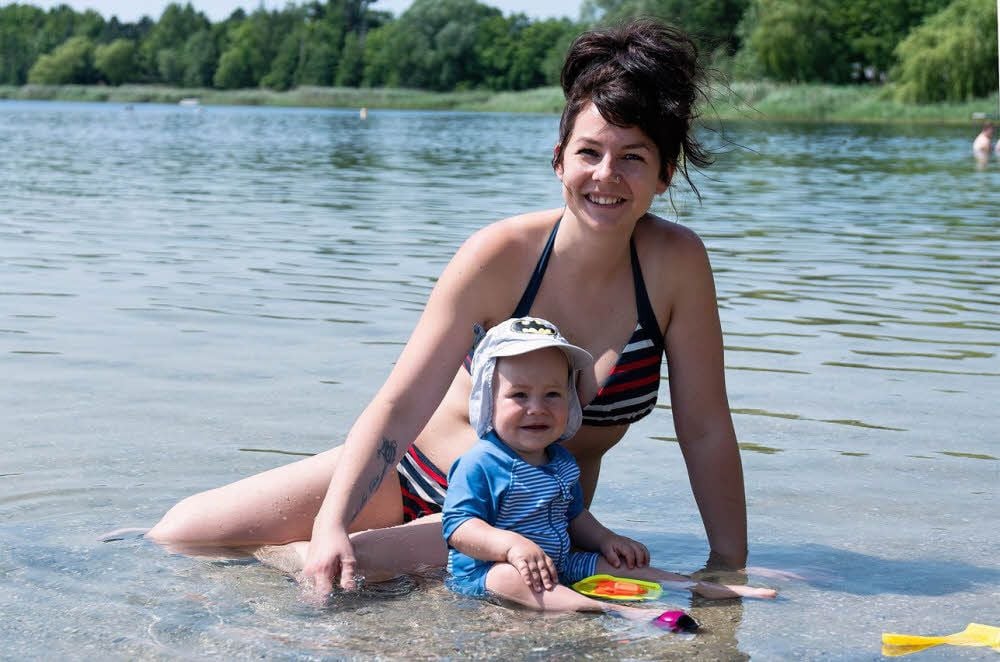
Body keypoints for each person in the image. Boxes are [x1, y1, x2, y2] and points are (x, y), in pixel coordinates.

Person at [147, 18, 750, 598]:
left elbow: (704, 428)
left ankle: (329, 564)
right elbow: (401, 404)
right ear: (559, 159)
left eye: (633, 157)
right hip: (411, 472)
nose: (606, 175)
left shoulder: (676, 265)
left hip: (522, 513)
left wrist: (730, 565)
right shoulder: (500, 256)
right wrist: (333, 520)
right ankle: (305, 559)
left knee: (357, 568)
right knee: (181, 534)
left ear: (665, 174)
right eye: (589, 152)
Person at [443, 317, 776, 618]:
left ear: (570, 399)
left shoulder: (560, 461)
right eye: (519, 395)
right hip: (491, 571)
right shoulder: (481, 463)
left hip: (561, 564)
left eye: (552, 394)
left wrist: (606, 538)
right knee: (507, 578)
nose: (537, 408)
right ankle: (611, 609)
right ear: (489, 398)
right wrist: (511, 546)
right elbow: (459, 527)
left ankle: (694, 586)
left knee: (617, 565)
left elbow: (575, 516)